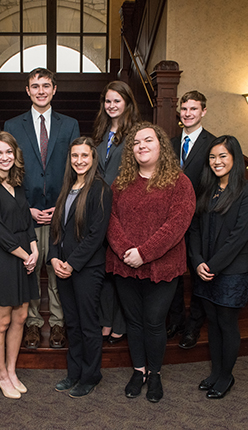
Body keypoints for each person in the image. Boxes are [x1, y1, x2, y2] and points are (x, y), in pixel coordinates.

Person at [106, 122, 195, 402]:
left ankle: (154, 374)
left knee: (154, 322)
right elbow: (110, 220)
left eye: (148, 140)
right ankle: (139, 370)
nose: (141, 146)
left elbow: (177, 225)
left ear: (161, 146)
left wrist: (143, 253)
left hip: (162, 267)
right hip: (124, 265)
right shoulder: (120, 183)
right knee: (134, 322)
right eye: (136, 142)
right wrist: (125, 251)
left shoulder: (180, 183)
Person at [4, 68, 80, 349]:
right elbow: (9, 171)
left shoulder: (69, 125)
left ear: (54, 89)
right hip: (28, 213)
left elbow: (75, 167)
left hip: (60, 213)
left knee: (58, 270)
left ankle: (58, 324)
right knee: (31, 270)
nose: (40, 91)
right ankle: (33, 325)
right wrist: (28, 209)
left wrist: (61, 206)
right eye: (35, 86)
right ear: (27, 90)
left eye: (46, 85)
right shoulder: (13, 126)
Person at [189, 136, 248, 399]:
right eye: (212, 157)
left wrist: (212, 266)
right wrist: (197, 261)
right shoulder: (207, 190)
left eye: (223, 156)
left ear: (235, 158)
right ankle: (216, 372)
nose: (217, 162)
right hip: (204, 270)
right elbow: (194, 229)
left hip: (231, 272)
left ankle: (226, 376)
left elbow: (239, 238)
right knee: (214, 324)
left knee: (227, 324)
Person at [49, 137, 112, 398]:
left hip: (87, 268)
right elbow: (57, 229)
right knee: (71, 324)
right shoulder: (67, 187)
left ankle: (90, 375)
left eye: (85, 156)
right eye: (75, 156)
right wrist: (53, 258)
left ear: (93, 158)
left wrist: (72, 264)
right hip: (62, 267)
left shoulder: (100, 189)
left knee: (88, 324)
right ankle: (73, 372)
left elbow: (96, 235)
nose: (79, 160)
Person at [0, 131, 39, 399]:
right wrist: (24, 254)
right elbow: (0, 231)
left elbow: (27, 222)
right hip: (3, 257)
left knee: (21, 317)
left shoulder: (17, 183)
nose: (4, 157)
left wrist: (35, 249)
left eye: (8, 152)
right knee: (1, 320)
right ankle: (1, 374)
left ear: (16, 155)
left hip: (24, 255)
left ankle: (12, 370)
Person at [167, 90, 216, 350]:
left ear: (203, 111)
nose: (188, 114)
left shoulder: (214, 144)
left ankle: (193, 326)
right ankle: (175, 321)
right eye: (184, 109)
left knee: (197, 275)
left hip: (200, 221)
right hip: (173, 221)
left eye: (193, 109)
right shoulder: (171, 144)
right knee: (174, 274)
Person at [92, 80, 141, 344]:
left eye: (117, 101)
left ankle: (120, 322)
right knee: (105, 269)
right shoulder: (100, 133)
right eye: (108, 101)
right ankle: (105, 321)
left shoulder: (137, 134)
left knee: (122, 271)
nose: (111, 106)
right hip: (100, 208)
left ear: (127, 103)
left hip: (123, 210)